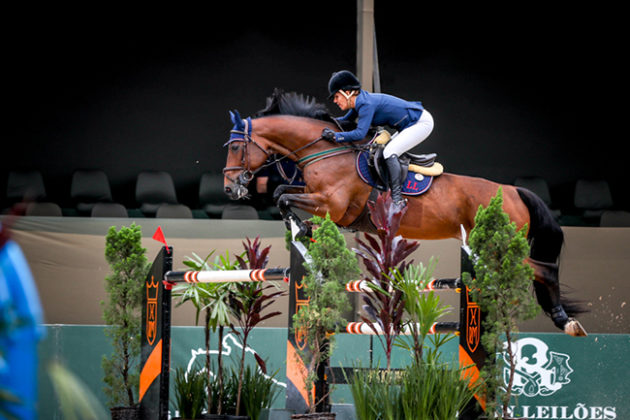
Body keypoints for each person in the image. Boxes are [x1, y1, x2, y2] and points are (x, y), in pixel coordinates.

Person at [322, 70, 434, 207]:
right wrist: (322, 122)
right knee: (385, 151)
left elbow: (359, 134)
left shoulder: (365, 104)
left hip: (420, 122)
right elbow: (344, 122)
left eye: (336, 96)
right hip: (409, 124)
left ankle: (397, 199)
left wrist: (335, 136)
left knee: (389, 152)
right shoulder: (360, 102)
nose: (335, 101)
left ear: (347, 92)